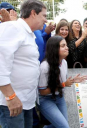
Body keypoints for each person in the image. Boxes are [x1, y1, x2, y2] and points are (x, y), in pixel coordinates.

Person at [0, 0, 47, 128]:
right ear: (33, 13)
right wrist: (10, 96)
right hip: (12, 102)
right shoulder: (13, 28)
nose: (46, 20)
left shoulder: (29, 34)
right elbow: (1, 63)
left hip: (25, 102)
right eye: (44, 15)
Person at [37, 36, 86, 128]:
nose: (67, 47)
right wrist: (63, 84)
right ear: (54, 48)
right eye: (63, 46)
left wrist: (73, 80)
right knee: (64, 126)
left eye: (66, 45)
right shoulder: (45, 66)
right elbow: (43, 91)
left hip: (59, 97)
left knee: (61, 124)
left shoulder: (64, 62)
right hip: (46, 100)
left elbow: (63, 82)